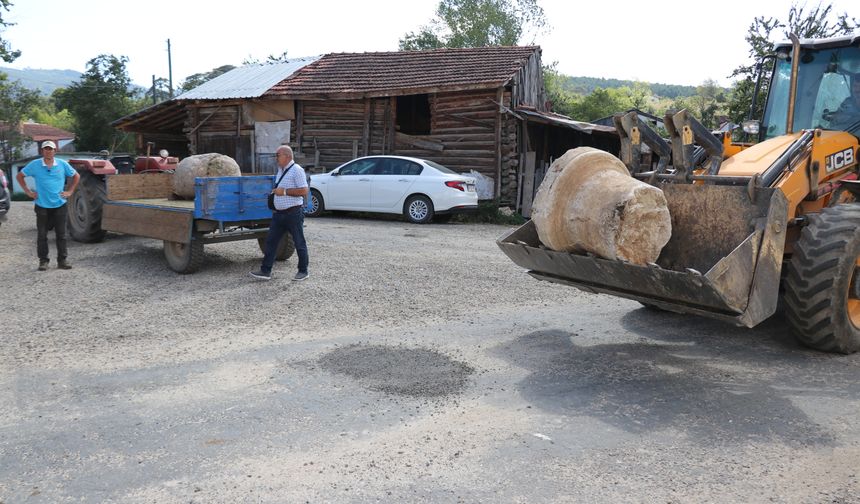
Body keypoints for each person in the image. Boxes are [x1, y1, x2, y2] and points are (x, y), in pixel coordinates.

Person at [16, 140, 80, 271]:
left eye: (51, 149)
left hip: (59, 205)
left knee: (61, 235)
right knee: (42, 235)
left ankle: (62, 261)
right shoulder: (35, 165)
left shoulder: (62, 164)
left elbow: (76, 176)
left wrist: (70, 191)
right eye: (46, 149)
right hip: (42, 205)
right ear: (42, 151)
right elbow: (20, 176)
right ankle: (43, 261)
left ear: (55, 151)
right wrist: (28, 192)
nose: (48, 151)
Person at [250, 145, 309, 281]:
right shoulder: (281, 170)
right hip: (279, 214)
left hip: (293, 213)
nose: (276, 158)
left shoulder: (297, 170)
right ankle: (265, 271)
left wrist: (285, 192)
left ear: (287, 156)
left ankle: (303, 271)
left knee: (299, 242)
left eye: (278, 155)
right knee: (271, 242)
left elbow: (304, 191)